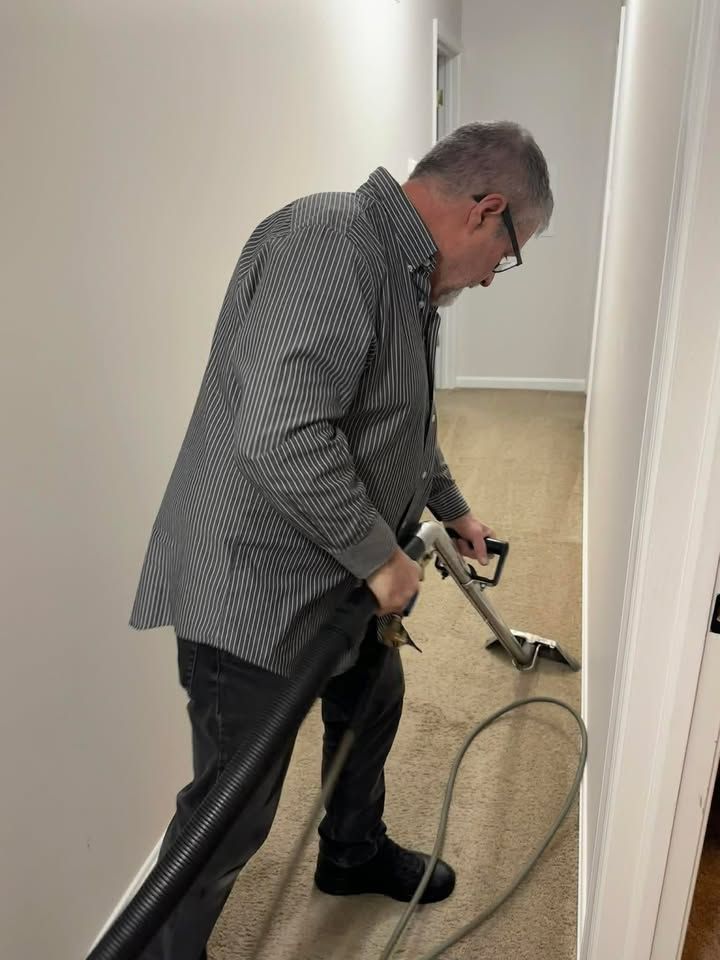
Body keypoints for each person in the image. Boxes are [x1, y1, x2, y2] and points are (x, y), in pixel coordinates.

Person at [130, 120, 553, 960]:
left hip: (333, 576)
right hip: (253, 586)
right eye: (510, 253)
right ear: (486, 211)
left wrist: (452, 505)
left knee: (375, 696)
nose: (494, 277)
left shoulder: (407, 277)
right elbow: (280, 433)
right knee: (231, 813)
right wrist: (384, 560)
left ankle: (351, 853)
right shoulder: (330, 244)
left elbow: (395, 422)